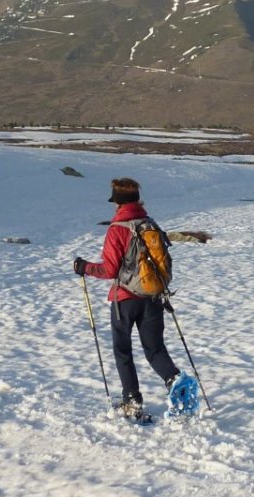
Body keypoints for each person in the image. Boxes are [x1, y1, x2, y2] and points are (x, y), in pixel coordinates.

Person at [73, 177, 197, 421]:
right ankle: (174, 381)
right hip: (152, 296)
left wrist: (84, 267)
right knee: (155, 349)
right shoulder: (149, 224)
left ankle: (132, 401)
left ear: (117, 203)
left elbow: (109, 270)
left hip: (125, 300)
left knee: (123, 350)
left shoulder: (117, 229)